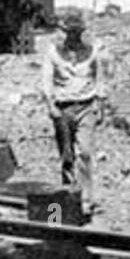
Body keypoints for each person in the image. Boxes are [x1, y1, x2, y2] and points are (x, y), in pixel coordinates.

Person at [41, 11, 106, 212]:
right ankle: (70, 195)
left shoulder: (92, 52)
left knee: (85, 152)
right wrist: (51, 106)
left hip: (86, 106)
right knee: (67, 156)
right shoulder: (53, 53)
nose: (74, 37)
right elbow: (46, 80)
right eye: (70, 32)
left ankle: (87, 197)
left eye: (77, 33)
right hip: (63, 108)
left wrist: (100, 104)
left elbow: (100, 78)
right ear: (64, 33)